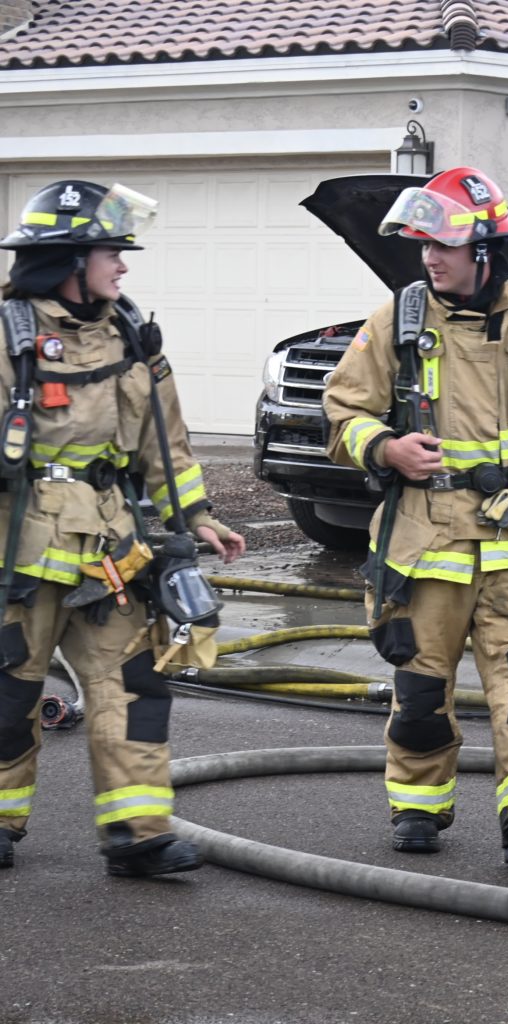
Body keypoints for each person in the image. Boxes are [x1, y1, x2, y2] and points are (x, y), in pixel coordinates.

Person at [323, 166, 508, 865]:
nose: (429, 257)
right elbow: (342, 413)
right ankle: (418, 806)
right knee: (421, 686)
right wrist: (388, 448)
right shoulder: (398, 320)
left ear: (485, 250)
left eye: (444, 245)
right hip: (425, 540)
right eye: (424, 244)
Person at [0, 179, 245, 876]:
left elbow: (167, 445)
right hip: (20, 551)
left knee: (134, 684)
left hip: (111, 549)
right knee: (10, 693)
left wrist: (196, 517)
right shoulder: (9, 335)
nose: (124, 266)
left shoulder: (132, 335)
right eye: (112, 252)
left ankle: (137, 835)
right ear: (72, 260)